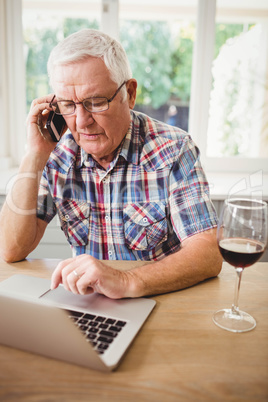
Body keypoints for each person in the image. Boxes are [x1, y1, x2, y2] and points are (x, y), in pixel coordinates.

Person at [0, 29, 222, 299]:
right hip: (90, 305)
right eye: (68, 105)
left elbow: (208, 253)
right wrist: (34, 153)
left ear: (129, 93)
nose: (81, 121)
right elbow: (11, 249)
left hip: (161, 300)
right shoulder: (56, 154)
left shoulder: (173, 149)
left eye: (95, 102)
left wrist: (126, 281)